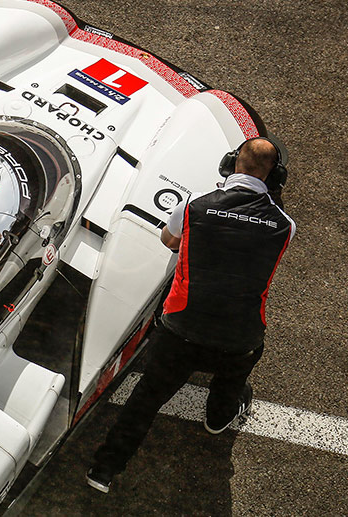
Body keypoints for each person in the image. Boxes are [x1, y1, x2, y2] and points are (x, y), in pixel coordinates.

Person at [86, 137, 296, 493]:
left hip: (180, 330)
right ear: (275, 178)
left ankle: (104, 470)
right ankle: (218, 418)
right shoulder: (285, 225)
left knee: (147, 398)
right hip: (239, 338)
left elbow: (170, 241)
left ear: (230, 164)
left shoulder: (195, 204)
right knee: (236, 376)